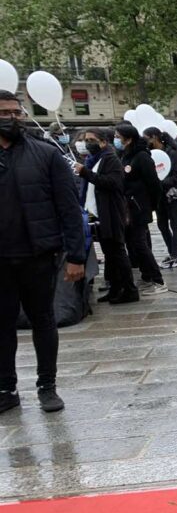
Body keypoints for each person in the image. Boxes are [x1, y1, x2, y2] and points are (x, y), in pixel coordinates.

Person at [0, 90, 86, 414]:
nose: (12, 118)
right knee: (2, 326)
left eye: (16, 112)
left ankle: (47, 386)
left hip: (38, 255)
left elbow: (69, 208)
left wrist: (76, 256)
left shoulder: (46, 154)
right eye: (4, 113)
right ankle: (6, 388)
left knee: (44, 321)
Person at [74, 128, 137, 304]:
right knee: (109, 253)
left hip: (110, 213)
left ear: (103, 142)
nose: (87, 143)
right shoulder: (92, 159)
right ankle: (115, 288)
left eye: (91, 140)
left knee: (117, 252)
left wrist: (86, 173)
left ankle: (129, 289)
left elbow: (113, 183)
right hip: (96, 213)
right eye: (85, 140)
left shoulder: (110, 159)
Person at [114, 123, 166, 295]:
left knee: (140, 244)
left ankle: (158, 280)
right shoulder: (126, 156)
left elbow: (154, 184)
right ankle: (147, 276)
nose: (116, 140)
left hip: (139, 207)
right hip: (128, 207)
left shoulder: (142, 157)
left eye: (118, 137)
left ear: (128, 139)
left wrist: (151, 205)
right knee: (136, 245)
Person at [143, 127, 177, 270]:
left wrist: (160, 184)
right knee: (162, 225)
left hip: (175, 193)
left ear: (154, 137)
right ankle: (171, 253)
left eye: (146, 138)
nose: (145, 141)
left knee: (175, 224)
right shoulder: (150, 154)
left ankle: (175, 256)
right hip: (160, 195)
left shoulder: (172, 153)